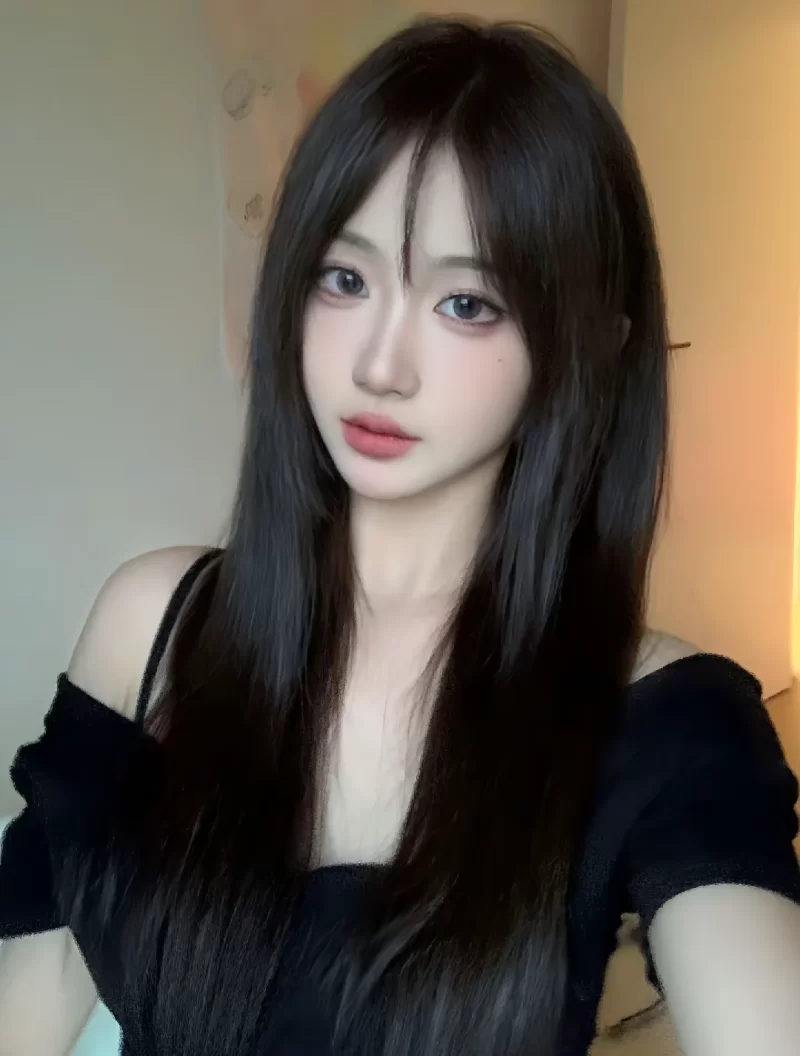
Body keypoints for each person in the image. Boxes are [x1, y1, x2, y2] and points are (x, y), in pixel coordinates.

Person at [1, 16, 799, 1056]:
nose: (380, 365)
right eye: (345, 280)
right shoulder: (153, 623)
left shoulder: (659, 718)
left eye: (466, 303)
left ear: (588, 352)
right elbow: (38, 981)